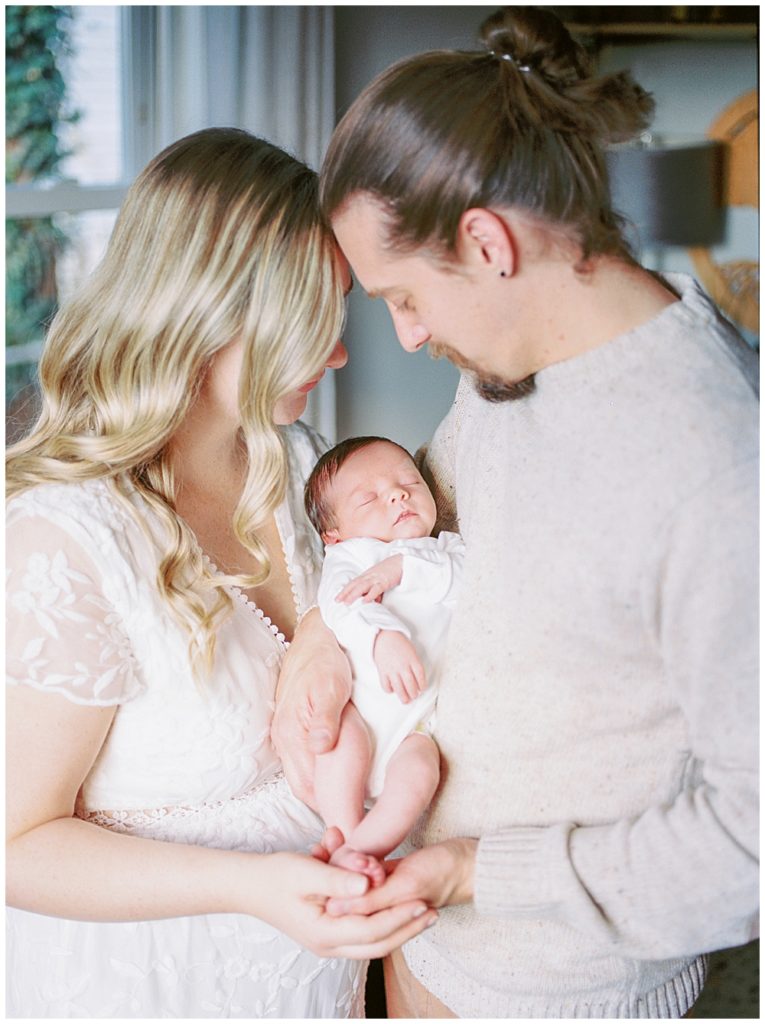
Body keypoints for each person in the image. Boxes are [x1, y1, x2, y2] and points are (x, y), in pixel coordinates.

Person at [272, 6, 759, 1019]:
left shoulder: (716, 466)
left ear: (488, 244)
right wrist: (325, 627)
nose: (404, 338)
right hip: (426, 952)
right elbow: (424, 521)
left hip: (555, 990)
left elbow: (749, 845)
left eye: (404, 297)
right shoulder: (513, 372)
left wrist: (474, 869)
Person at [5, 127, 439, 1020]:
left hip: (310, 982)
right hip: (151, 986)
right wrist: (251, 890)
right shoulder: (67, 539)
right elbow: (16, 845)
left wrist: (322, 632)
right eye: (320, 317)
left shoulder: (300, 463)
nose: (341, 355)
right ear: (224, 311)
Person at [300, 435, 464, 884]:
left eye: (408, 481)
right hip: (361, 704)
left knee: (420, 772)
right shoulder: (349, 555)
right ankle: (343, 831)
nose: (397, 494)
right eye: (370, 497)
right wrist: (382, 637)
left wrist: (402, 570)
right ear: (333, 534)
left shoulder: (446, 551)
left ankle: (363, 848)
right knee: (338, 744)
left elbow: (471, 584)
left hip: (416, 725)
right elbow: (341, 604)